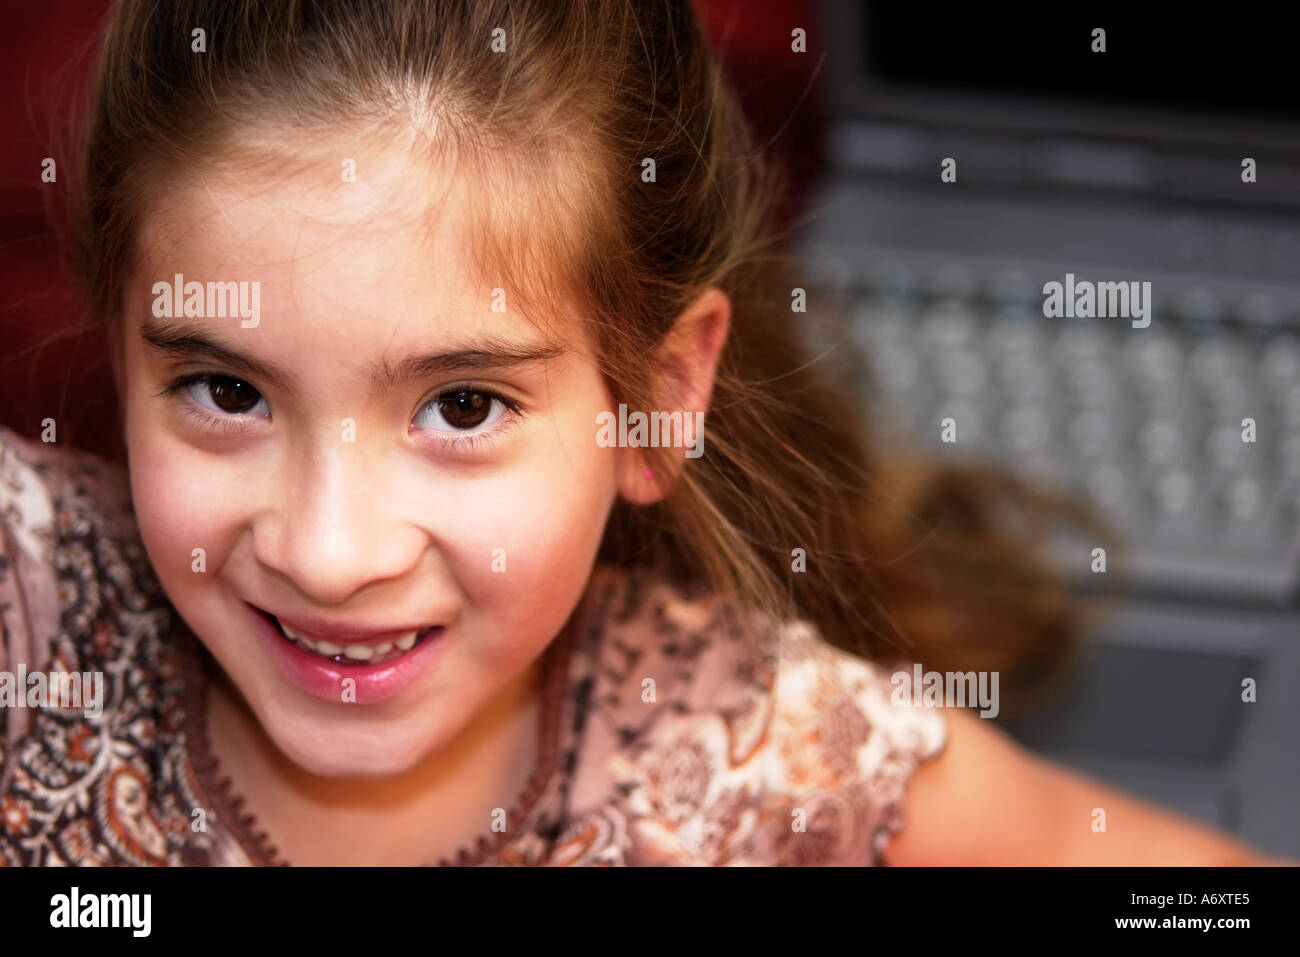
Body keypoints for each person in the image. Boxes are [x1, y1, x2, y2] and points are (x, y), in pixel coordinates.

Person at [0, 0, 1283, 866]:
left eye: (461, 406)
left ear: (659, 399)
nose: (330, 554)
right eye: (228, 392)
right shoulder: (29, 615)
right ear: (118, 344)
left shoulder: (766, 753)